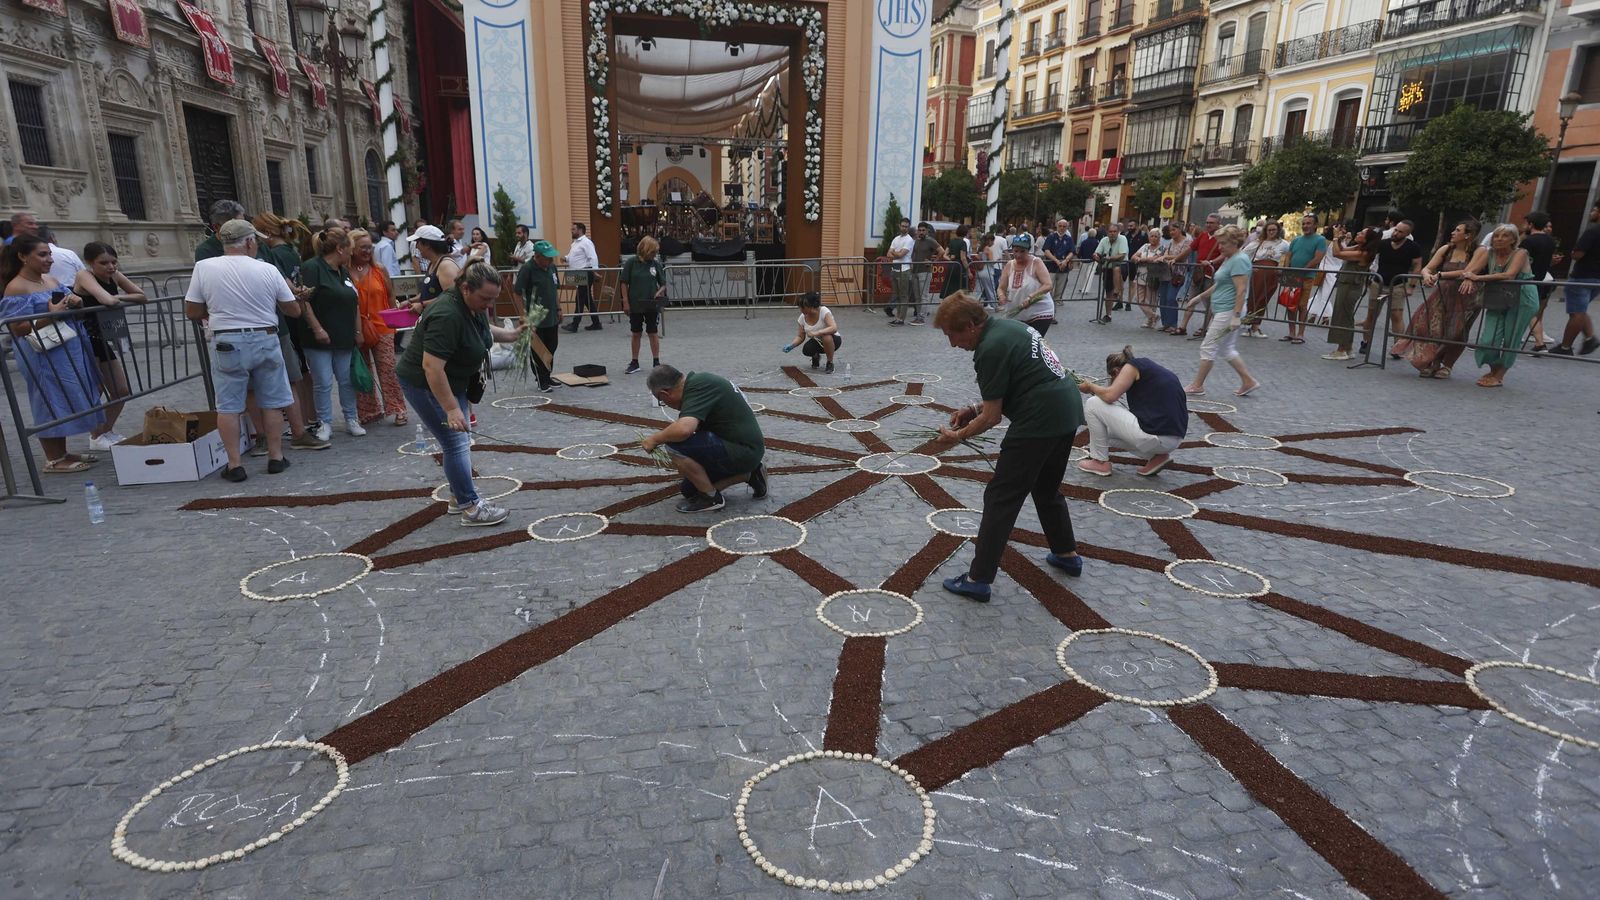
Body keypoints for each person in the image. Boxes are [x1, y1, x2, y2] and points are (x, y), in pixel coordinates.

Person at [932, 293, 1084, 601]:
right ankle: (1066, 554)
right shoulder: (1011, 328)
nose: (952, 344)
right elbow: (1016, 383)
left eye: (953, 334)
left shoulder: (989, 347)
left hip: (1038, 420)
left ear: (973, 325)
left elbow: (993, 417)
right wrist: (973, 408)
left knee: (1001, 496)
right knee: (1046, 488)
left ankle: (978, 579)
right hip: (1066, 410)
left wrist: (957, 437)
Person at [396, 260, 525, 526]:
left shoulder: (470, 306)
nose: (488, 306)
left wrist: (511, 336)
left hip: (453, 382)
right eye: (485, 299)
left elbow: (483, 329)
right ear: (465, 288)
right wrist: (451, 408)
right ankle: (470, 506)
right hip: (425, 384)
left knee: (459, 442)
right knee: (455, 442)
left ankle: (458, 497)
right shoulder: (447, 315)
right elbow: (432, 368)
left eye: (493, 299)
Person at [182, 220, 307, 481]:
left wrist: (219, 314)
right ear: (249, 242)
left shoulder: (204, 267)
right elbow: (293, 310)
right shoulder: (267, 269)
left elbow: (192, 311)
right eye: (256, 240)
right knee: (272, 402)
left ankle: (234, 464)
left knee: (228, 406)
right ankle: (276, 456)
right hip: (265, 337)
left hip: (226, 340)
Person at [1, 235, 105, 473]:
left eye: (49, 254)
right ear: (22, 257)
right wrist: (53, 315)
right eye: (42, 255)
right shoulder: (16, 286)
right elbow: (17, 327)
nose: (49, 259)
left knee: (64, 396)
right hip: (40, 353)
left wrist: (75, 301)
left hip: (64, 349)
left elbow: (64, 303)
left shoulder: (50, 280)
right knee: (47, 398)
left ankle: (62, 451)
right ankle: (53, 458)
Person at [640, 365, 767, 513]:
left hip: (744, 450)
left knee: (673, 445)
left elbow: (684, 429)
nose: (666, 404)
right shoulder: (697, 383)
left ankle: (710, 498)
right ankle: (751, 473)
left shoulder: (699, 387)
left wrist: (654, 439)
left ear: (665, 394)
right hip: (742, 446)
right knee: (690, 491)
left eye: (662, 401)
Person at [71, 242, 146, 450]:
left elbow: (141, 296)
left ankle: (104, 430)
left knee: (121, 390)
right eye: (103, 263)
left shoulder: (114, 275)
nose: (110, 267)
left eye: (113, 262)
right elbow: (106, 300)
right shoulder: (84, 275)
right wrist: (113, 298)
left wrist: (119, 295)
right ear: (90, 263)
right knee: (96, 390)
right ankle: (96, 435)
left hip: (103, 337)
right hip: (86, 338)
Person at [1076, 345, 1188, 477]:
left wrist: (1090, 386)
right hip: (1173, 440)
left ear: (1117, 371)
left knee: (1093, 403)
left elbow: (1110, 396)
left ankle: (1100, 462)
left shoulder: (1131, 367)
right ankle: (1157, 457)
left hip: (1156, 435)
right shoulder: (1150, 370)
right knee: (1104, 433)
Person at [1394, 219, 1485, 379]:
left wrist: (1441, 275)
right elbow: (1428, 267)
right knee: (1430, 326)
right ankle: (1432, 362)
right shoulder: (1446, 249)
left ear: (1468, 235)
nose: (1453, 233)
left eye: (1458, 230)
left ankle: (1447, 365)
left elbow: (1468, 271)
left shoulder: (1480, 251)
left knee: (1456, 332)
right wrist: (1427, 275)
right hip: (1443, 293)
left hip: (1466, 297)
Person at [1182, 225, 1261, 397]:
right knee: (1226, 349)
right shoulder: (1230, 257)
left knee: (1208, 345)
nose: (1220, 247)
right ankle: (1248, 381)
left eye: (1224, 243)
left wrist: (1236, 316)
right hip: (1226, 310)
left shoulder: (1239, 260)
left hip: (1229, 311)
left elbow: (1241, 290)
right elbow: (1221, 284)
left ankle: (1197, 385)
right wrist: (1199, 298)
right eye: (1220, 243)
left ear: (1235, 242)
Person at [299, 227, 363, 440]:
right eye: (350, 249)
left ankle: (351, 418)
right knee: (323, 381)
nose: (352, 254)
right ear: (340, 249)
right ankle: (324, 422)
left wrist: (357, 330)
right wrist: (317, 328)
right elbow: (304, 301)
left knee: (346, 380)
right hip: (320, 337)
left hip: (343, 335)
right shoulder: (312, 268)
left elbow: (354, 302)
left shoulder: (342, 271)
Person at [1462, 224, 1539, 388]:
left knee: (1512, 337)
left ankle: (1499, 375)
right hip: (1498, 296)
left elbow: (1509, 275)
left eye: (1504, 236)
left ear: (1513, 239)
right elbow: (1471, 270)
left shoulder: (1521, 253)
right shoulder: (1489, 253)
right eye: (1496, 235)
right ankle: (1494, 368)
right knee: (1488, 339)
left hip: (1522, 297)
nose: (1499, 239)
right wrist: (1469, 277)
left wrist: (1477, 278)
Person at [350, 229, 407, 426]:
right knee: (362, 370)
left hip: (382, 326)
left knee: (388, 369)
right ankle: (369, 410)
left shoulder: (379, 269)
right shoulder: (345, 271)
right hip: (357, 328)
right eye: (362, 247)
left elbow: (390, 295)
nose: (367, 251)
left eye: (369, 247)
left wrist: (394, 319)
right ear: (351, 249)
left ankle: (398, 408)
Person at [1361, 220, 1422, 357]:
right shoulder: (1383, 244)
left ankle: (1398, 347)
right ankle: (1365, 342)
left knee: (1396, 315)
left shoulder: (1413, 247)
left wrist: (1412, 286)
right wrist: (1367, 278)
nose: (1396, 233)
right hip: (1379, 282)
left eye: (1400, 232)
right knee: (1372, 314)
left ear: (1407, 234)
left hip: (1398, 284)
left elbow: (1417, 266)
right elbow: (1369, 258)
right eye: (1395, 230)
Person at [1549, 201, 1600, 356]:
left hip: (1582, 276)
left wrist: (1572, 253)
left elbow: (1578, 254)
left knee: (1576, 312)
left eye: (1594, 209)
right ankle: (1590, 338)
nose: (1591, 212)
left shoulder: (1593, 231)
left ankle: (1565, 347)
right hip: (1597, 279)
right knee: (1581, 309)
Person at [1323, 224, 1380, 361]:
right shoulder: (1358, 248)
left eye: (1362, 233)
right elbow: (1342, 249)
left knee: (1342, 316)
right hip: (1347, 285)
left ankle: (1341, 349)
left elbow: (1337, 254)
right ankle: (1347, 348)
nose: (1358, 233)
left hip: (1350, 287)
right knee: (1346, 316)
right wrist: (1340, 239)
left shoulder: (1364, 253)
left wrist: (1336, 237)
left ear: (1367, 240)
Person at [514, 238, 563, 392]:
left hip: (551, 315)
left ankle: (547, 376)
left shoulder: (552, 268)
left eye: (551, 257)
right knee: (538, 350)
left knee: (551, 346)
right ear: (538, 256)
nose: (550, 260)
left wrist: (559, 308)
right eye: (547, 257)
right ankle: (541, 379)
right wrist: (523, 316)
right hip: (535, 318)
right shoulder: (527, 269)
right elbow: (517, 293)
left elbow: (554, 289)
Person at [621, 235, 668, 375]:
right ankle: (634, 362)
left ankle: (656, 361)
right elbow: (624, 282)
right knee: (636, 333)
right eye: (653, 252)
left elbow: (663, 284)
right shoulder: (631, 263)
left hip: (651, 305)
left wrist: (659, 292)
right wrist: (625, 301)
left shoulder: (655, 264)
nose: (655, 255)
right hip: (635, 304)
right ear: (646, 250)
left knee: (652, 332)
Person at [1280, 215, 1326, 345]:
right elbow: (1289, 255)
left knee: (1302, 305)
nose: (1305, 226)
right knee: (1290, 304)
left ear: (1315, 225)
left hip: (1307, 277)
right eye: (1304, 223)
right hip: (1292, 276)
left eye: (1309, 223)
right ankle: (1291, 332)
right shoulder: (1296, 239)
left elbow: (1317, 258)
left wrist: (1302, 270)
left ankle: (1300, 334)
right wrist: (1288, 269)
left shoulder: (1320, 239)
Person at [997, 235, 1056, 336]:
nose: (1018, 255)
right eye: (1015, 251)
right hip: (1016, 314)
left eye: (1022, 251)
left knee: (1031, 343)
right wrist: (1001, 296)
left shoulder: (1036, 262)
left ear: (1028, 250)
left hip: (1039, 313)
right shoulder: (1009, 265)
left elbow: (1048, 285)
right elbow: (1001, 288)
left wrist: (1031, 297)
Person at [1241, 220, 1289, 338]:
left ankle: (1255, 327)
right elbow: (1244, 253)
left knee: (1263, 299)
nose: (1271, 232)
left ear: (1278, 231)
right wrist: (1249, 267)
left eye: (1274, 230)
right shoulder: (1258, 242)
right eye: (1269, 230)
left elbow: (1289, 256)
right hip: (1257, 273)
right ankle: (1248, 326)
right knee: (1252, 298)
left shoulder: (1284, 244)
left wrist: (1283, 269)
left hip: (1271, 275)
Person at [1177, 214, 1223, 337]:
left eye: (1212, 223)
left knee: (1209, 304)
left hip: (1212, 275)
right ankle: (1182, 327)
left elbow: (1224, 254)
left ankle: (1204, 328)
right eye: (1207, 222)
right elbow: (1190, 249)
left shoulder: (1222, 237)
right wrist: (1176, 259)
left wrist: (1212, 262)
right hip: (1198, 273)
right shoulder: (1202, 235)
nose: (1208, 225)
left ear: (1218, 224)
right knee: (1191, 300)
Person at [1520, 212, 1558, 352]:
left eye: (1527, 223)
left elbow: (1521, 260)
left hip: (1527, 279)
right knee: (1533, 311)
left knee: (1529, 312)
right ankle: (1535, 341)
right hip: (1541, 278)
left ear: (1531, 224)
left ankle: (1539, 342)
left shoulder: (1529, 241)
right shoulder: (1550, 241)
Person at [407, 225, 461, 314]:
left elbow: (452, 298)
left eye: (418, 243)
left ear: (427, 245)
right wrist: (411, 301)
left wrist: (422, 305)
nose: (416, 247)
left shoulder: (446, 266)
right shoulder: (433, 264)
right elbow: (430, 291)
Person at [561, 222, 602, 332]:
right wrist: (565, 258)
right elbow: (572, 256)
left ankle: (575, 324)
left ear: (580, 230)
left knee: (579, 298)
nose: (571, 231)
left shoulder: (586, 242)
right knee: (587, 299)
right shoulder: (575, 243)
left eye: (573, 229)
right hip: (578, 273)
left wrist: (595, 271)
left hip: (585, 272)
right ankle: (596, 323)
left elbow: (592, 257)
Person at [785, 292, 841, 372]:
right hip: (818, 341)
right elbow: (800, 336)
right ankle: (815, 356)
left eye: (803, 307)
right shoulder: (802, 318)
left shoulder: (823, 311)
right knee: (807, 350)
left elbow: (833, 328)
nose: (801, 310)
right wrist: (792, 345)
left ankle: (830, 362)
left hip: (834, 340)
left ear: (811, 306)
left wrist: (817, 333)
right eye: (800, 307)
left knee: (826, 337)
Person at [1160, 223, 1194, 333]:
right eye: (1170, 231)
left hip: (1178, 273)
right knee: (1163, 298)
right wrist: (1164, 257)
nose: (1172, 232)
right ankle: (1165, 323)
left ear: (1180, 230)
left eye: (1174, 230)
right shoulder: (1171, 242)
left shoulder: (1187, 241)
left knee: (1171, 297)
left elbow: (1182, 256)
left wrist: (1165, 257)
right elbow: (1165, 253)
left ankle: (1173, 324)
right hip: (1167, 271)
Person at [1092, 223, 1129, 324]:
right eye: (1110, 232)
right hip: (1107, 267)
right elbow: (1098, 252)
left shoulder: (1123, 239)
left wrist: (1109, 258)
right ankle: (1108, 314)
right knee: (1108, 292)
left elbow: (1121, 255)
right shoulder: (1104, 240)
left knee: (1116, 268)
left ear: (1118, 232)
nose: (1112, 234)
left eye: (1114, 232)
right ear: (1107, 232)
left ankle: (1117, 291)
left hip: (1121, 265)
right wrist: (1096, 255)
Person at [909, 222, 943, 325]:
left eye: (923, 230)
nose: (921, 232)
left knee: (924, 295)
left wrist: (933, 262)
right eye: (919, 230)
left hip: (925, 271)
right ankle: (919, 316)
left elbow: (941, 251)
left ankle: (922, 317)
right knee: (917, 296)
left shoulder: (930, 241)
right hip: (915, 271)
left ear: (927, 231)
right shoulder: (916, 241)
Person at [1131, 228, 1166, 329]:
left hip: (1153, 275)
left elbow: (1154, 259)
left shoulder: (1162, 248)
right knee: (1138, 298)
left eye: (1156, 236)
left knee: (1151, 299)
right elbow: (1133, 256)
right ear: (1149, 237)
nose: (1153, 238)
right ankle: (1153, 316)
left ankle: (1150, 320)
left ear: (1159, 238)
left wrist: (1141, 259)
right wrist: (1138, 259)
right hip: (1141, 274)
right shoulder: (1145, 246)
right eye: (1152, 236)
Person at [887, 219, 916, 325]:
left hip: (904, 269)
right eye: (903, 226)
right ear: (899, 226)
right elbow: (888, 254)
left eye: (906, 226)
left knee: (903, 295)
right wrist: (896, 253)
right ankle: (897, 317)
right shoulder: (896, 239)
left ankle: (901, 318)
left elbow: (901, 255)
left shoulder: (909, 240)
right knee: (897, 294)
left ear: (909, 227)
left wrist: (895, 252)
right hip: (895, 268)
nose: (904, 228)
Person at [1041, 219, 1075, 304]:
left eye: (1064, 226)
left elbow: (1072, 252)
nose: (1062, 228)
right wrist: (1056, 260)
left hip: (1064, 267)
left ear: (1067, 227)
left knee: (1061, 285)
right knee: (1049, 285)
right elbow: (1046, 251)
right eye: (1060, 226)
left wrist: (1066, 261)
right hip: (1051, 266)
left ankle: (1058, 299)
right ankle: (1048, 301)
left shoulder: (1069, 238)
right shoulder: (1051, 237)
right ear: (1057, 226)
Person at [942, 224, 971, 298]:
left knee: (950, 288)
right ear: (965, 233)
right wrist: (969, 271)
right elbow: (963, 258)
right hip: (960, 268)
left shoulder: (952, 241)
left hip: (951, 266)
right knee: (961, 288)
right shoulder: (963, 243)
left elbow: (944, 255)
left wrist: (951, 260)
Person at [974, 233, 999, 307]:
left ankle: (973, 305)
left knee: (978, 291)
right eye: (993, 241)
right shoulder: (988, 249)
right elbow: (991, 262)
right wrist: (997, 260)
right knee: (991, 289)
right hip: (987, 271)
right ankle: (995, 306)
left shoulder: (980, 248)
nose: (993, 243)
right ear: (990, 241)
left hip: (979, 271)